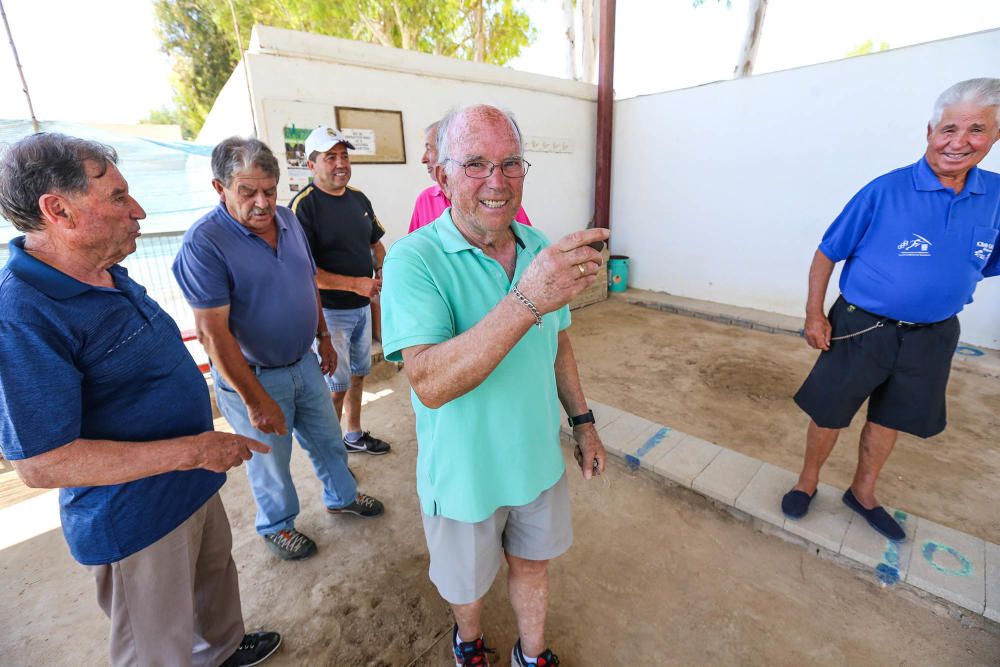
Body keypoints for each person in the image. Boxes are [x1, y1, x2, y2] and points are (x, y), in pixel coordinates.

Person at [0, 133, 281, 666]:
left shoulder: (105, 269)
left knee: (213, 592)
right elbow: (40, 463)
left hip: (190, 488)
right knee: (156, 649)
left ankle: (221, 652)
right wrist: (195, 451)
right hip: (134, 519)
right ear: (57, 210)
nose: (138, 210)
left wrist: (197, 459)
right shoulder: (21, 312)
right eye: (117, 197)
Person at [381, 104, 610, 667]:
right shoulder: (415, 260)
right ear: (442, 176)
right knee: (468, 587)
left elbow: (559, 344)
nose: (497, 181)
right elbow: (429, 382)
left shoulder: (538, 248)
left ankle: (531, 654)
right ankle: (470, 642)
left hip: (536, 460)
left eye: (511, 164)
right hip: (464, 474)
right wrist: (527, 298)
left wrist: (584, 424)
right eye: (477, 164)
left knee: (534, 565)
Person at [781, 78, 1000, 541]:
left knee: (891, 417)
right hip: (861, 327)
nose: (959, 142)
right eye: (949, 128)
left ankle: (863, 492)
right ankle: (807, 481)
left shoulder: (997, 196)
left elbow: (985, 260)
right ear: (929, 131)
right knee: (829, 412)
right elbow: (827, 252)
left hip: (934, 334)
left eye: (976, 129)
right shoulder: (885, 190)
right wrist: (814, 314)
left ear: (995, 136)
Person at [172, 137, 384, 562]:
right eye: (247, 192)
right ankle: (277, 525)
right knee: (270, 460)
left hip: (303, 361)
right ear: (220, 188)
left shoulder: (288, 220)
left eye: (269, 190)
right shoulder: (204, 244)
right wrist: (253, 399)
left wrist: (323, 337)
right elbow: (213, 333)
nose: (263, 203)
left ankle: (341, 496)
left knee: (328, 439)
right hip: (253, 374)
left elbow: (307, 283)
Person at [289, 126, 392, 456]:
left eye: (344, 156)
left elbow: (376, 245)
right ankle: (332, 454)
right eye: (330, 157)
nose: (340, 164)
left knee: (360, 375)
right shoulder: (303, 207)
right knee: (335, 387)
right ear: (311, 165)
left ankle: (353, 434)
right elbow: (301, 272)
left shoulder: (358, 198)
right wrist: (355, 284)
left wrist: (380, 271)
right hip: (329, 314)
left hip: (362, 307)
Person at [408, 120, 533, 233]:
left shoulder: (499, 200)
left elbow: (526, 246)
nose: (497, 184)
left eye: (429, 149)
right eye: (476, 164)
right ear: (443, 178)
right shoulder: (425, 199)